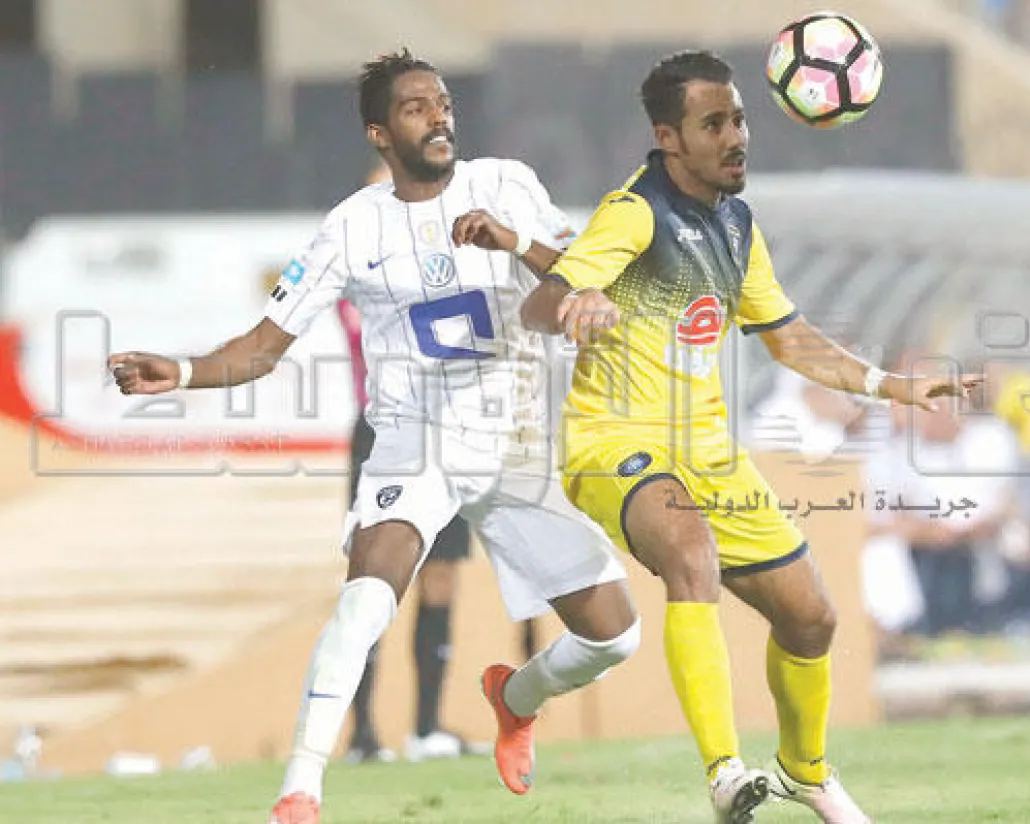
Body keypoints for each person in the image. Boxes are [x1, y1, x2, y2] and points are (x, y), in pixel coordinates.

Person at [108, 50, 641, 824]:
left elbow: (591, 280)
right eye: (418, 107)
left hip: (518, 441)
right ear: (380, 132)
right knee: (364, 600)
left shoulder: (506, 185)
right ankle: (300, 790)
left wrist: (513, 241)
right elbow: (264, 346)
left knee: (614, 638)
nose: (439, 117)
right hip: (413, 443)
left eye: (444, 103)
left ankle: (513, 697)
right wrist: (184, 372)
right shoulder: (351, 226)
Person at [519, 51, 975, 824]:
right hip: (613, 444)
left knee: (811, 617)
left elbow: (788, 337)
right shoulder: (635, 212)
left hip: (709, 453)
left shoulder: (736, 223)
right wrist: (578, 306)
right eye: (713, 124)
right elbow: (546, 302)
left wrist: (888, 385)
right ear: (669, 137)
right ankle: (726, 771)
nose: (736, 137)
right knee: (689, 554)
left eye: (739, 119)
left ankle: (804, 770)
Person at [335, 158, 473, 762]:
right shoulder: (356, 278)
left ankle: (426, 727)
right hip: (384, 434)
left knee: (442, 578)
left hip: (450, 434)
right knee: (372, 580)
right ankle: (363, 734)